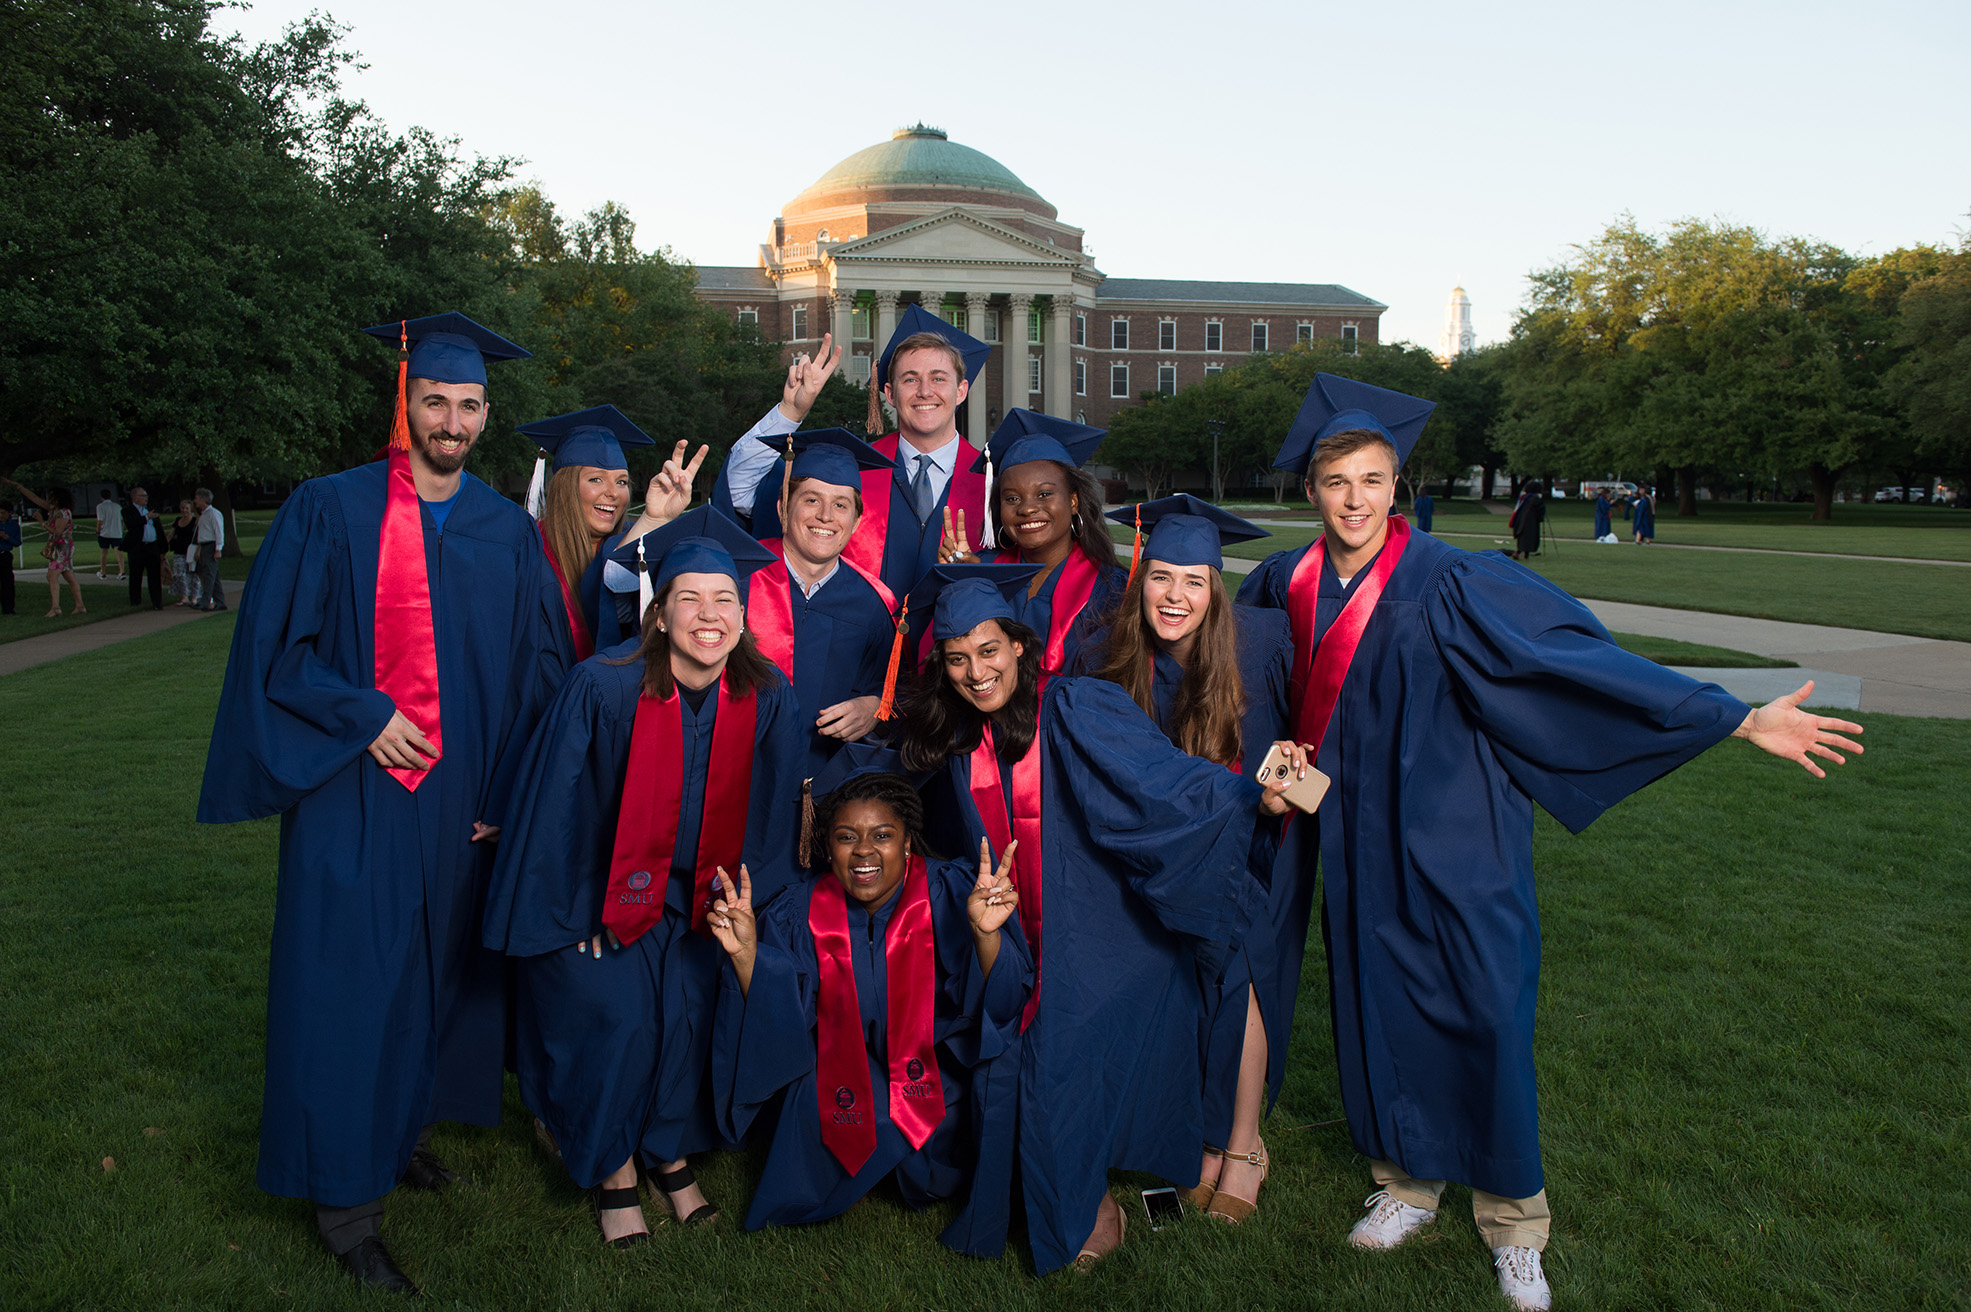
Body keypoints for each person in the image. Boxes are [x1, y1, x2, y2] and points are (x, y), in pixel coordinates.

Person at [1236, 372, 1865, 1311]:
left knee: (1486, 1006)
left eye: (1372, 480)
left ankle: (1514, 1221)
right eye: (1337, 484)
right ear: (1312, 493)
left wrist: (1732, 719)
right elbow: (1227, 677)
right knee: (1379, 1005)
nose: (1355, 500)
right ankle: (1407, 1183)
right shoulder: (1279, 581)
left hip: (1461, 829)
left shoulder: (1455, 579)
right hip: (1353, 835)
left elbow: (1574, 665)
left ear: (1397, 484)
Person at [197, 312, 573, 1294]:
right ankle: (343, 1206)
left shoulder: (507, 531)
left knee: (433, 977)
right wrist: (363, 712)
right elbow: (278, 653)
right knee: (347, 982)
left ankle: (395, 1131)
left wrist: (507, 794)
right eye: (435, 401)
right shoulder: (329, 510)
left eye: (468, 404)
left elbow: (540, 677)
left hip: (460, 805)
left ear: (488, 413)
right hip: (353, 794)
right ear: (404, 404)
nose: (451, 419)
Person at [894, 566, 1302, 1274]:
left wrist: (1250, 802)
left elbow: (1159, 778)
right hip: (1007, 939)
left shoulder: (1075, 704)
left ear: (1021, 647)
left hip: (1101, 930)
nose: (975, 671)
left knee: (1053, 1060)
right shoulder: (956, 737)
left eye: (988, 652)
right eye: (957, 659)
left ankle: (1086, 1204)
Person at [483, 506, 804, 1245]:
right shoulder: (603, 686)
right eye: (689, 598)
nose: (709, 614)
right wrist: (575, 918)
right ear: (658, 615)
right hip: (601, 900)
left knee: (687, 1015)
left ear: (744, 613)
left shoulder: (766, 694)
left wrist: (746, 909)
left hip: (699, 898)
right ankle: (613, 1167)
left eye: (724, 599)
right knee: (621, 1020)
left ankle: (668, 1148)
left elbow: (772, 816)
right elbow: (552, 815)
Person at [706, 743, 1033, 1230]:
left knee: (964, 1102)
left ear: (907, 843)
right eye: (845, 836)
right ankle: (873, 1158)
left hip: (936, 1069)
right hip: (836, 1070)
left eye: (882, 835)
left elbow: (1004, 1002)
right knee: (824, 1103)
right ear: (827, 846)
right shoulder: (799, 910)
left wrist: (986, 936)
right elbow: (782, 1019)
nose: (863, 851)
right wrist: (748, 955)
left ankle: (897, 1161)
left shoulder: (950, 890)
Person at [1082, 494, 1297, 1225]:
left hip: (1250, 845)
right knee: (1180, 985)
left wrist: (1291, 771)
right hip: (1163, 854)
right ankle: (1198, 1143)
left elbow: (1309, 729)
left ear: (1216, 589)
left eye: (1194, 581)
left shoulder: (1259, 645)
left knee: (1237, 974)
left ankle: (1241, 1146)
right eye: (1160, 577)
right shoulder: (1112, 658)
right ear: (1138, 579)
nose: (1175, 596)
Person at [715, 308, 994, 597]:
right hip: (852, 636)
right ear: (889, 393)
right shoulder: (854, 468)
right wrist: (791, 411)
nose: (925, 391)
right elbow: (740, 494)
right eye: (910, 379)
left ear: (961, 390)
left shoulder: (992, 480)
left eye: (938, 379)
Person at [742, 428, 907, 778]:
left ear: (856, 521)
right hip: (733, 775)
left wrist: (874, 707)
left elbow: (892, 688)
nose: (826, 516)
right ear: (783, 508)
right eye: (812, 500)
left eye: (841, 505)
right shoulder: (738, 581)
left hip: (823, 787)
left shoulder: (876, 604)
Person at [952, 409, 1125, 675]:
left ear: (1073, 500)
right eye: (1012, 498)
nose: (1027, 509)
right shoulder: (981, 570)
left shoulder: (1110, 589)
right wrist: (964, 584)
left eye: (1044, 494)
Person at [514, 403, 660, 660]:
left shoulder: (634, 551)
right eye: (596, 479)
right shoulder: (527, 552)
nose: (613, 493)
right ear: (566, 486)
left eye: (622, 482)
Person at [5, 480, 85, 617]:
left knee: (51, 576)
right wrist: (19, 486)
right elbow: (35, 499)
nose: (49, 499)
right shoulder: (54, 510)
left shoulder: (64, 513)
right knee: (69, 576)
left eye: (52, 496)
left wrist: (41, 522)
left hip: (62, 548)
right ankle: (80, 606)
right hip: (58, 547)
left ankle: (56, 608)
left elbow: (58, 532)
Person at [123, 486, 164, 609]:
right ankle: (135, 601)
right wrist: (147, 518)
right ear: (135, 498)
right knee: (136, 575)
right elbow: (131, 523)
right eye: (143, 496)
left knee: (154, 576)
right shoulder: (128, 511)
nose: (146, 498)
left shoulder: (150, 510)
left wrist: (162, 548)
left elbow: (159, 529)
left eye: (146, 496)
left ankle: (157, 602)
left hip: (152, 546)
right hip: (137, 548)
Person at [189, 487, 226, 611]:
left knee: (208, 575)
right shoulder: (203, 515)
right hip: (204, 545)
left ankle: (205, 601)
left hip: (211, 545)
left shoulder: (214, 514)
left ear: (202, 499)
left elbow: (219, 532)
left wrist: (218, 549)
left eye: (197, 498)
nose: (195, 501)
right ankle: (220, 601)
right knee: (212, 575)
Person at [168, 499, 199, 606]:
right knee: (179, 574)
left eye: (187, 508)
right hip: (179, 550)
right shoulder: (178, 520)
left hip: (191, 551)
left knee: (193, 574)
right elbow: (170, 535)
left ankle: (194, 597)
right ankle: (184, 596)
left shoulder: (195, 521)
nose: (184, 510)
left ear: (191, 509)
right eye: (182, 508)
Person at [1508, 484, 1545, 559]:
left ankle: (1518, 553)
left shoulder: (1523, 498)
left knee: (1522, 537)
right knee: (1529, 538)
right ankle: (1525, 556)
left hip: (1520, 519)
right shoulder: (1535, 498)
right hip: (1531, 521)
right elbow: (1540, 510)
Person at [94, 489, 124, 579]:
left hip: (105, 533)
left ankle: (103, 572)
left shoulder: (100, 506)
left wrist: (98, 530)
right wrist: (121, 530)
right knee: (119, 552)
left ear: (101, 497)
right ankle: (122, 571)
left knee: (104, 553)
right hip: (116, 533)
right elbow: (122, 520)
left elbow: (100, 521)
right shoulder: (117, 506)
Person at [0, 500, 19, 615]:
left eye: (3, 513)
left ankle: (8, 609)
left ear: (9, 513)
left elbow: (17, 542)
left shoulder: (13, 526)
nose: (1, 516)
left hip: (5, 554)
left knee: (7, 582)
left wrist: (7, 537)